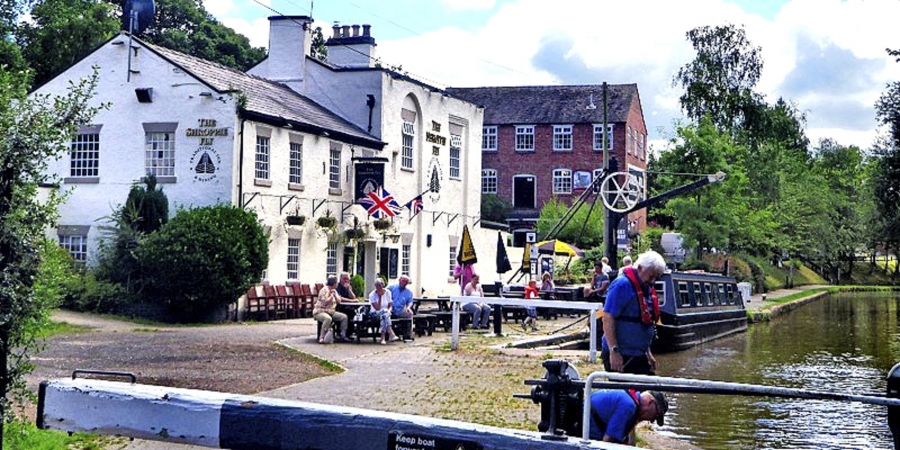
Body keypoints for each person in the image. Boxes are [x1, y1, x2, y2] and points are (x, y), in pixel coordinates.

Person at [601, 250, 667, 374]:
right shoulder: (622, 285)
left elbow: (643, 321)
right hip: (623, 355)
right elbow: (608, 317)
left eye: (656, 278)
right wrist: (614, 351)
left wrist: (648, 353)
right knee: (635, 392)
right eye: (651, 276)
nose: (653, 281)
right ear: (640, 268)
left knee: (650, 391)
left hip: (638, 354)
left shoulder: (646, 287)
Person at [587, 389, 668, 444]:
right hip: (582, 428)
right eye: (655, 416)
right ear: (651, 402)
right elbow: (607, 441)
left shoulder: (631, 399)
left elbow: (628, 442)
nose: (652, 421)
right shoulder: (629, 406)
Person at [313, 276, 350, 344]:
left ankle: (343, 335)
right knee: (328, 319)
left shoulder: (334, 290)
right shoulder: (324, 290)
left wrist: (335, 295)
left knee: (344, 317)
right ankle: (322, 337)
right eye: (336, 283)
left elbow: (339, 301)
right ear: (333, 283)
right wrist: (331, 296)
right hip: (320, 311)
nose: (337, 284)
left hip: (331, 311)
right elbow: (324, 302)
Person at [368, 278, 398, 345]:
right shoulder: (372, 295)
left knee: (384, 315)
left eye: (380, 285)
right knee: (384, 313)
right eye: (377, 286)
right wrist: (380, 297)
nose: (379, 287)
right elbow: (377, 308)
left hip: (386, 313)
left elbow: (390, 305)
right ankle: (390, 332)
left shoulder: (388, 292)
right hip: (374, 313)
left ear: (383, 285)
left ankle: (383, 337)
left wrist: (389, 311)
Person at [388, 274, 415, 340]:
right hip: (391, 309)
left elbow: (410, 302)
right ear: (399, 280)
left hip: (400, 310)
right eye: (402, 281)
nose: (403, 283)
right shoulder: (392, 288)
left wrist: (408, 308)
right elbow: (384, 293)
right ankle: (389, 334)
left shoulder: (409, 292)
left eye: (405, 281)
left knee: (409, 314)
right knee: (386, 314)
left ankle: (408, 335)